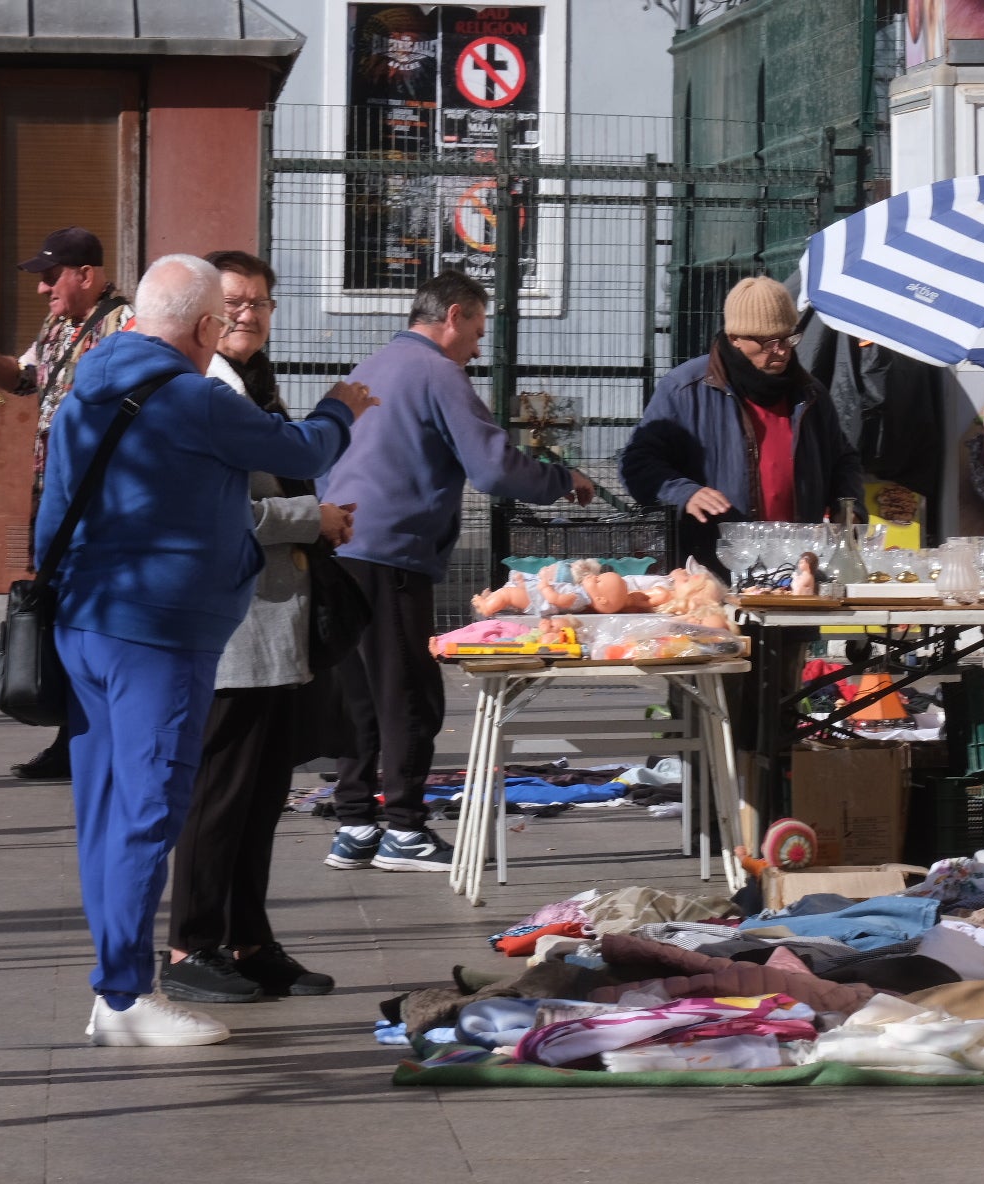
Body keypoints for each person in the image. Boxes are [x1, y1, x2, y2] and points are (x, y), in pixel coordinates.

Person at [41, 254, 375, 1046]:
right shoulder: (191, 396)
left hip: (86, 622)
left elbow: (53, 507)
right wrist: (343, 405)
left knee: (104, 812)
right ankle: (124, 997)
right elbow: (298, 453)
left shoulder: (91, 380)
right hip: (160, 634)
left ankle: (114, 989)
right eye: (222, 320)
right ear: (202, 328)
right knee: (150, 813)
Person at [319, 269, 593, 873]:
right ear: (453, 316)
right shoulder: (440, 373)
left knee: (359, 693)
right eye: (477, 327)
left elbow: (323, 448)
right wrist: (560, 478)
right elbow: (493, 469)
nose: (477, 344)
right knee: (408, 693)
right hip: (391, 550)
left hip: (338, 544)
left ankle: (355, 821)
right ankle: (404, 830)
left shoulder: (370, 365)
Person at [160, 251, 354, 1005]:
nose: (250, 315)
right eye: (235, 302)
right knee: (220, 793)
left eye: (262, 304)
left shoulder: (255, 388)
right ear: (205, 312)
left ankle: (249, 939)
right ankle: (191, 946)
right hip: (230, 629)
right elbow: (206, 515)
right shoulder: (203, 393)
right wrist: (313, 517)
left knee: (263, 791)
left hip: (277, 626)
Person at [0, 226, 135, 780]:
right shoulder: (57, 327)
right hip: (54, 497)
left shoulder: (126, 326)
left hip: (101, 504)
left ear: (86, 275)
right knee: (64, 616)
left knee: (94, 621)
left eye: (51, 277)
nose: (43, 289)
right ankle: (75, 738)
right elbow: (23, 380)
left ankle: (95, 741)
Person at [619, 275, 864, 574]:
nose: (782, 351)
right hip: (713, 569)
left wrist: (847, 506)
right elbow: (637, 463)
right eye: (768, 342)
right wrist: (685, 493)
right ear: (735, 338)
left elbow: (842, 459)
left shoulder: (810, 393)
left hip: (799, 570)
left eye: (788, 338)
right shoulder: (685, 389)